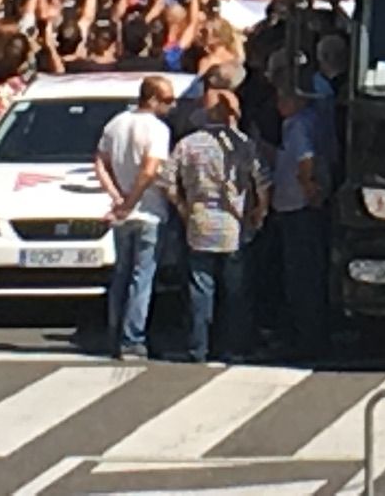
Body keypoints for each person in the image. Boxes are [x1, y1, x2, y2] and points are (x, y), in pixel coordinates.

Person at [166, 86, 267, 363]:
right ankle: (234, 347)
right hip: (234, 224)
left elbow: (168, 183)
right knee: (236, 292)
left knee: (200, 288)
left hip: (199, 221)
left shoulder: (187, 144)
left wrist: (184, 210)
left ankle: (198, 347)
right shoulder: (243, 144)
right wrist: (260, 211)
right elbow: (262, 180)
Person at [95, 76, 176, 362]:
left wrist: (115, 196)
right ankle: (133, 339)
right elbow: (150, 170)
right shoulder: (157, 129)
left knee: (121, 274)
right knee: (142, 277)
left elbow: (100, 162)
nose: (171, 106)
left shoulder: (116, 123)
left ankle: (114, 332)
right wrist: (128, 202)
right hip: (148, 211)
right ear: (151, 99)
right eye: (167, 100)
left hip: (123, 213)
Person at [270, 86, 333, 359]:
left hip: (299, 207)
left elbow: (305, 161)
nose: (278, 103)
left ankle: (306, 340)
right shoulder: (310, 120)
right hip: (297, 206)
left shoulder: (298, 125)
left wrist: (310, 192)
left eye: (282, 97)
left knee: (301, 277)